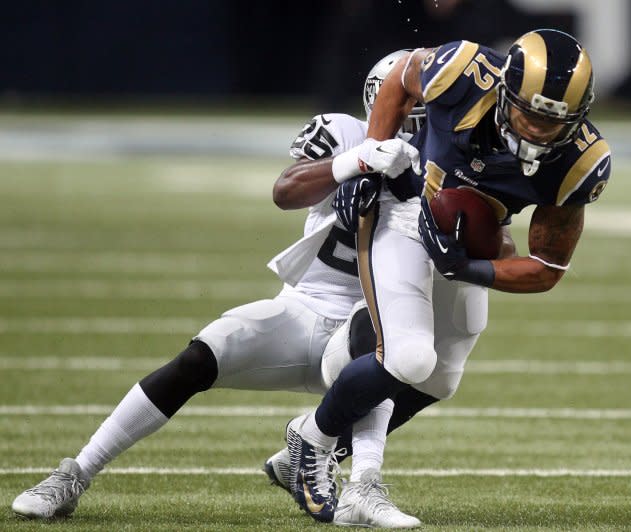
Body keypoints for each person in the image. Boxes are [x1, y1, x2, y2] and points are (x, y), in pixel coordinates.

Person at [9, 51, 424, 526]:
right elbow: (284, 192)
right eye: (410, 105)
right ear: (378, 99)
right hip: (305, 308)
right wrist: (355, 162)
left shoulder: (440, 165)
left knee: (378, 345)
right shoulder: (347, 134)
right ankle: (74, 475)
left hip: (365, 319)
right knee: (197, 358)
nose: (418, 121)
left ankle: (363, 488)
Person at [284, 28, 612, 522]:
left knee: (440, 378)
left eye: (554, 121)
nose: (539, 131)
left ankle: (323, 446)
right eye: (530, 113)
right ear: (504, 89)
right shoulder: (461, 70)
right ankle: (316, 443)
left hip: (461, 236)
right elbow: (399, 78)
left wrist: (467, 268)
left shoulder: (580, 163)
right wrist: (371, 160)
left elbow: (546, 268)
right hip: (403, 209)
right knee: (409, 356)